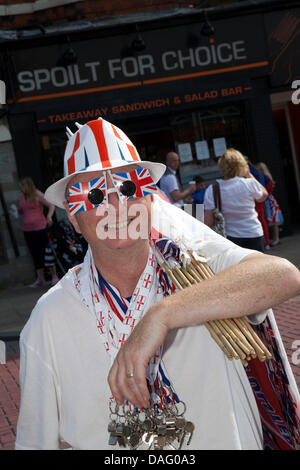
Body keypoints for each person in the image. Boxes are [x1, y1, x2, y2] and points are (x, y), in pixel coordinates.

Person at [15, 119, 300, 450]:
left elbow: (284, 276)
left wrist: (161, 315)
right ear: (74, 220)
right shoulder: (48, 320)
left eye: (128, 188)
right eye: (93, 195)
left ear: (150, 201)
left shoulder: (198, 267)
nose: (116, 206)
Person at [204, 149, 268, 252]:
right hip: (254, 233)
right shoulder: (249, 183)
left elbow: (208, 221)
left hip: (231, 238)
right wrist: (249, 175)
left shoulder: (212, 190)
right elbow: (263, 195)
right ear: (242, 165)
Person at [18, 177, 59, 287]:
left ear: (27, 186)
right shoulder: (22, 196)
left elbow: (51, 205)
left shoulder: (37, 194)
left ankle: (54, 276)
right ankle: (41, 279)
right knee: (35, 254)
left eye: (22, 186)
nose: (20, 189)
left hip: (40, 227)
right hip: (27, 229)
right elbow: (22, 209)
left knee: (46, 252)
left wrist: (49, 217)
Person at [256, 162, 283, 247]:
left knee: (273, 221)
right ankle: (274, 238)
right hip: (268, 200)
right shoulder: (266, 177)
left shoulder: (266, 177)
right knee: (271, 221)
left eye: (259, 169)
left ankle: (276, 239)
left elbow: (267, 190)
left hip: (269, 201)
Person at [249, 162, 271, 250]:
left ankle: (265, 242)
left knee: (260, 220)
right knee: (262, 220)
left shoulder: (251, 173)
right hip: (260, 199)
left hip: (256, 200)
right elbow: (269, 184)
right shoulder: (258, 173)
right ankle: (266, 242)